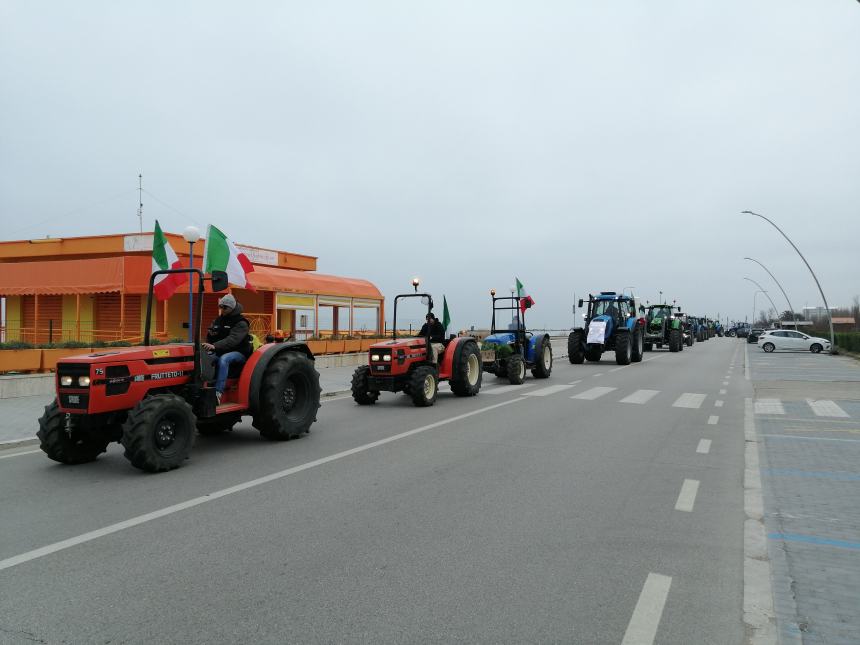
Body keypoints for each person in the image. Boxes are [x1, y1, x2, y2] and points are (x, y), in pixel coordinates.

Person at [202, 293, 252, 404]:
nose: (222, 309)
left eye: (225, 307)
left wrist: (215, 346)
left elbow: (232, 340)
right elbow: (210, 337)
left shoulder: (241, 323)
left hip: (239, 352)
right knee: (204, 358)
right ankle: (202, 388)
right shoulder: (218, 320)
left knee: (224, 359)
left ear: (232, 307)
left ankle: (218, 393)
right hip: (220, 350)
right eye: (220, 306)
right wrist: (210, 336)